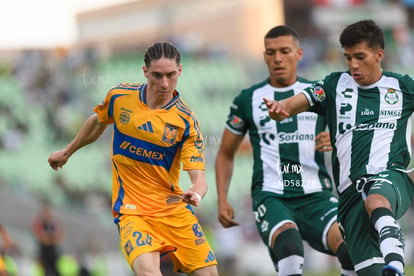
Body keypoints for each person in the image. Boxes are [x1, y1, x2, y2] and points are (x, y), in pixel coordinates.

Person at [48, 41, 218, 276]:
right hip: (133, 211)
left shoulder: (186, 121)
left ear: (180, 71)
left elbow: (199, 178)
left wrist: (196, 193)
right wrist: (67, 152)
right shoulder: (120, 97)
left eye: (170, 75)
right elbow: (98, 121)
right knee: (148, 273)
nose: (164, 83)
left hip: (173, 210)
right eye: (157, 76)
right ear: (145, 72)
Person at [264, 19, 414, 276]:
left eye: (359, 56)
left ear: (379, 55)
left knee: (375, 195)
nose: (353, 64)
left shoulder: (404, 86)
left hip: (390, 177)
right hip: (349, 196)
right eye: (347, 58)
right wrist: (281, 110)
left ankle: (396, 260)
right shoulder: (334, 85)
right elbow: (292, 105)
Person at [215, 25, 355, 276]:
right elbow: (225, 153)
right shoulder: (248, 99)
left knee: (351, 248)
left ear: (299, 53)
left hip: (316, 195)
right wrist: (223, 199)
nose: (277, 58)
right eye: (271, 52)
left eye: (284, 51)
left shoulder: (320, 94)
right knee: (289, 246)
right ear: (264, 56)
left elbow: (350, 135)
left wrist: (335, 139)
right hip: (272, 196)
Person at [31, 200, 64, 276]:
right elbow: (43, 239)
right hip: (43, 254)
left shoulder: (54, 224)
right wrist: (52, 237)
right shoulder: (39, 223)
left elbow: (60, 237)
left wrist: (50, 237)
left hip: (54, 254)